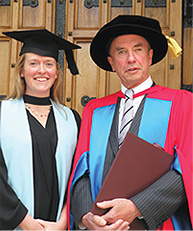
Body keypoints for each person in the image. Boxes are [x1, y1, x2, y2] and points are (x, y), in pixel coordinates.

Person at [68, 15, 193, 230]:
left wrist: (137, 207)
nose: (131, 59)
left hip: (157, 224)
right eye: (121, 52)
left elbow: (187, 166)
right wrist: (86, 217)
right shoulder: (95, 110)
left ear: (150, 56)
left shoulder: (181, 103)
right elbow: (82, 170)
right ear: (112, 63)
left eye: (138, 49)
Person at [0, 29, 81, 230]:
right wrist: (25, 223)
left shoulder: (72, 119)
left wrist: (63, 223)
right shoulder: (3, 113)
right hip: (12, 224)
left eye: (49, 64)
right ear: (21, 70)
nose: (42, 70)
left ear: (56, 73)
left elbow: (78, 177)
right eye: (33, 63)